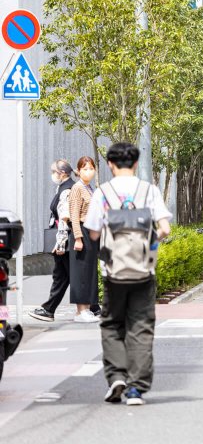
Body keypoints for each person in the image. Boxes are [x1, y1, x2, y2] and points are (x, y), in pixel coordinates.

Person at [85, 142, 171, 406]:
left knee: (112, 324)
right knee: (141, 327)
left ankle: (117, 377)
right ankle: (136, 388)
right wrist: (150, 243)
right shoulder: (149, 190)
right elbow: (165, 228)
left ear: (110, 164)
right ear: (135, 164)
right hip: (144, 270)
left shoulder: (102, 192)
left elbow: (93, 232)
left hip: (114, 272)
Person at [29, 160, 75, 323]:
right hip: (64, 240)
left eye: (53, 171)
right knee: (63, 276)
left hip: (64, 240)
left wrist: (61, 243)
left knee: (69, 275)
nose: (52, 174)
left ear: (62, 173)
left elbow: (64, 218)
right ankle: (49, 309)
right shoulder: (63, 187)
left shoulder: (66, 190)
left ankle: (95, 308)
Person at [68, 155, 100, 322]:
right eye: (85, 168)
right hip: (81, 232)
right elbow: (74, 215)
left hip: (91, 233)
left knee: (89, 272)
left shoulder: (90, 188)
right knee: (81, 272)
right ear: (78, 171)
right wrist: (78, 237)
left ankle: (87, 309)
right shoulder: (77, 188)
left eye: (91, 168)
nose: (89, 171)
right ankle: (80, 311)